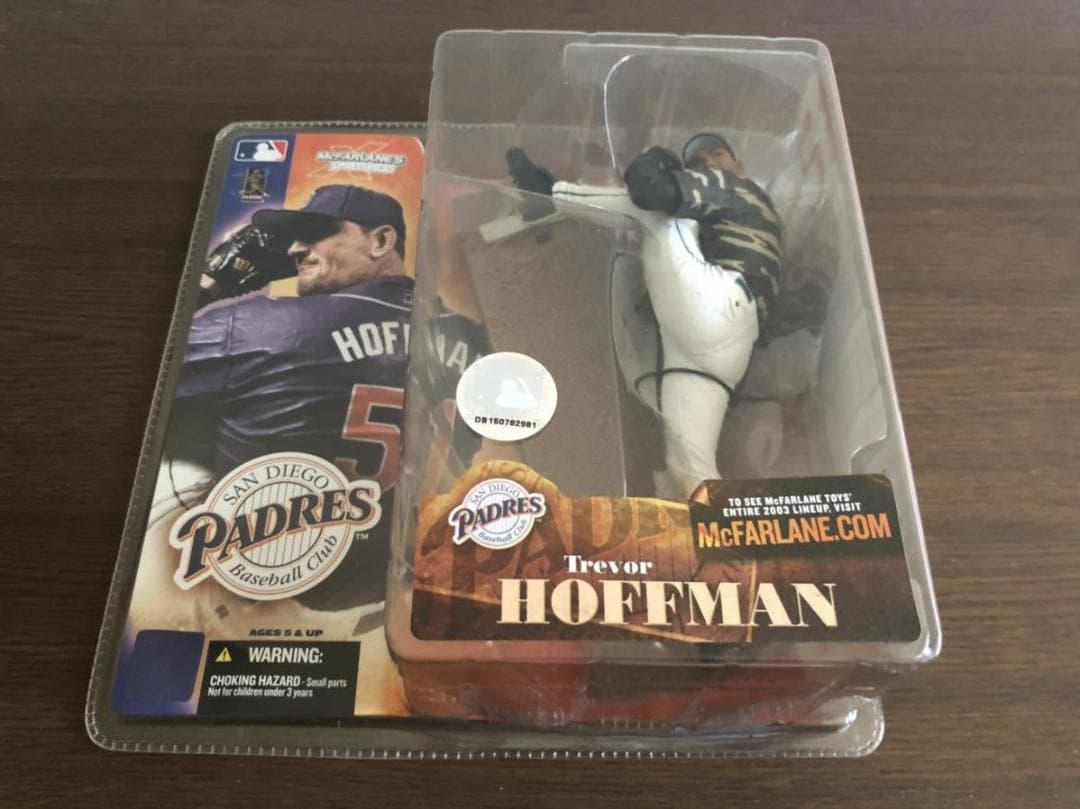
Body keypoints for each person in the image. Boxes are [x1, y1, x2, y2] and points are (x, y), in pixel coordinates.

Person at [157, 184, 484, 613]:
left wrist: (212, 282)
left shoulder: (261, 326)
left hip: (280, 590)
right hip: (408, 584)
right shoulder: (474, 338)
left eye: (316, 233)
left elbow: (152, 371)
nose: (295, 248)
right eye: (294, 238)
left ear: (381, 240)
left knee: (173, 454)